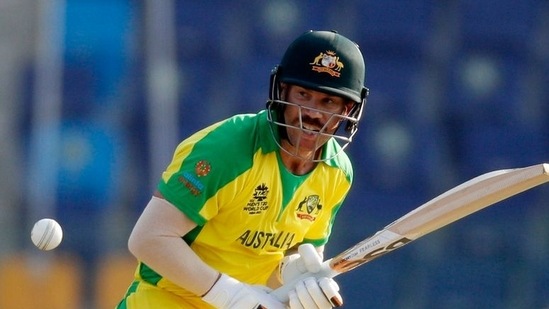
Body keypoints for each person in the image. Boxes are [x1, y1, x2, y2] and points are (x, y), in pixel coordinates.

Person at [116, 30, 369, 309]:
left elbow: (297, 256)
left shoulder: (337, 172)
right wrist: (230, 295)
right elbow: (149, 239)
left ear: (348, 110)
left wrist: (297, 278)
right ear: (282, 90)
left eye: (328, 101)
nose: (312, 112)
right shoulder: (228, 148)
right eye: (303, 94)